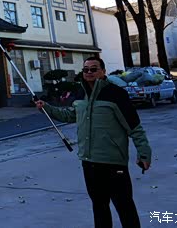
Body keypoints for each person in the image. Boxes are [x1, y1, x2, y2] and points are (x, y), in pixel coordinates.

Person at [35, 57, 151, 228]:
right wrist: (47, 107)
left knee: (124, 206)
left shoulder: (116, 94)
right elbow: (70, 115)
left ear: (103, 71)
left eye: (93, 69)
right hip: (89, 162)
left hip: (113, 162)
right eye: (86, 69)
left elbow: (134, 127)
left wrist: (144, 153)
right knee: (99, 206)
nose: (89, 72)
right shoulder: (80, 94)